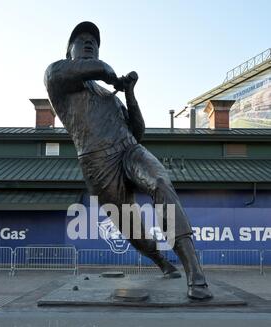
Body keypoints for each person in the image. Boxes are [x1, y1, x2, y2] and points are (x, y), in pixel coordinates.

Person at [45, 21, 212, 300]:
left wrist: (129, 93)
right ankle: (161, 261)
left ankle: (195, 272)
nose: (89, 42)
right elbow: (100, 69)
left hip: (129, 150)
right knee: (131, 227)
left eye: (94, 41)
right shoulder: (57, 76)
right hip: (98, 164)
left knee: (160, 183)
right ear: (68, 52)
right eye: (81, 39)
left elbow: (138, 132)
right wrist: (111, 75)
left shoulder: (107, 95)